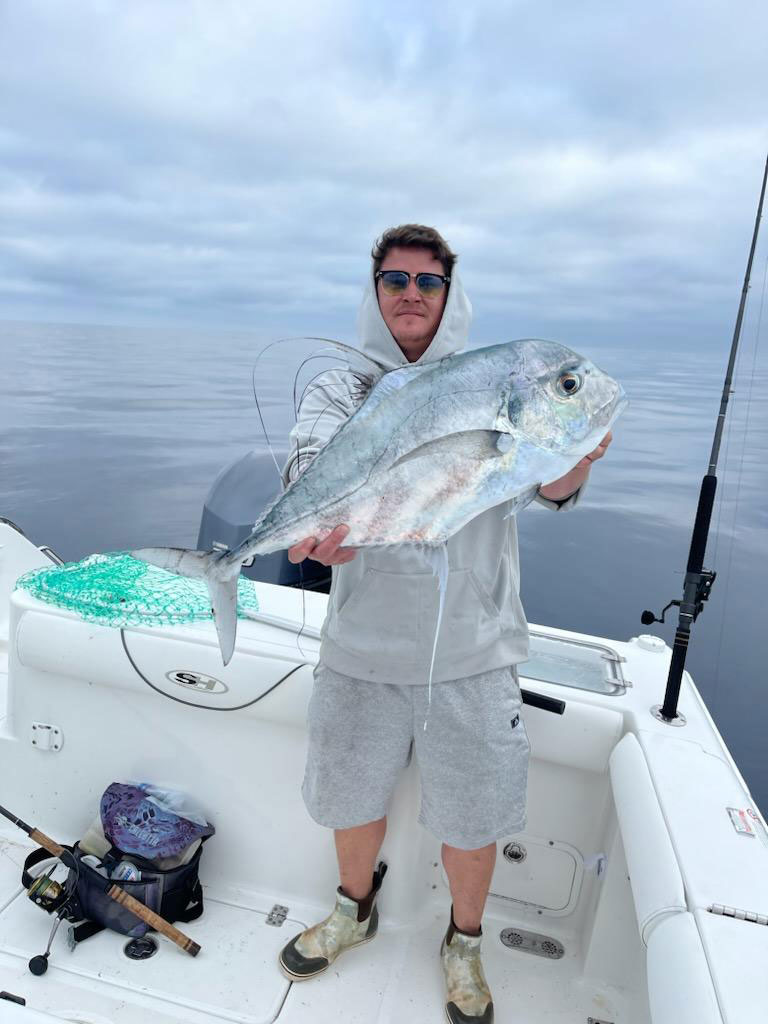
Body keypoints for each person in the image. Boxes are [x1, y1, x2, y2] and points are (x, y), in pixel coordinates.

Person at [277, 224, 612, 1023]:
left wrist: (576, 456)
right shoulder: (341, 388)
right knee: (351, 796)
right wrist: (315, 534)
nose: (411, 296)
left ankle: (464, 943)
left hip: (475, 644)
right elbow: (305, 469)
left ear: (450, 294)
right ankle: (353, 911)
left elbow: (551, 487)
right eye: (396, 281)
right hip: (361, 641)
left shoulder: (499, 382)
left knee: (474, 812)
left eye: (428, 283)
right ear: (375, 290)